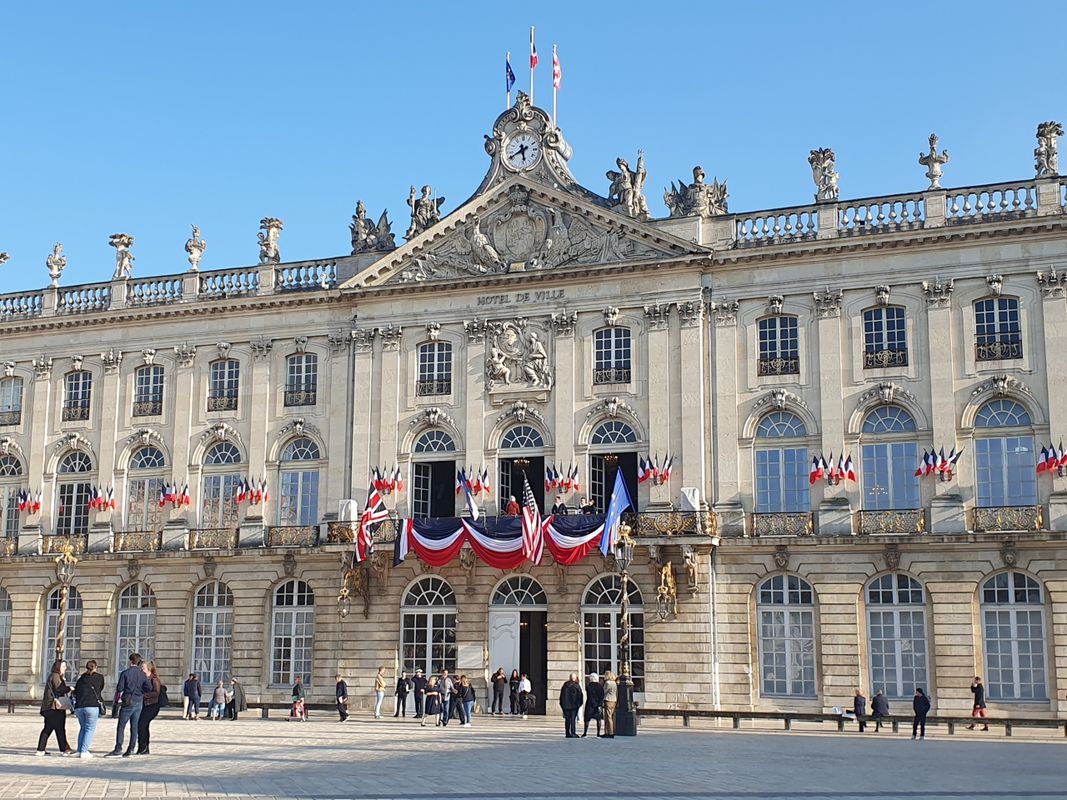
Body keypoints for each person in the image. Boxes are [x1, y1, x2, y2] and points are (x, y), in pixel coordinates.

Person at [106, 652, 151, 757]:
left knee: (121, 726)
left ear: (130, 661)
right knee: (134, 726)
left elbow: (120, 688)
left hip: (128, 701)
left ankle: (118, 748)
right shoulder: (142, 674)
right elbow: (148, 688)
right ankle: (131, 748)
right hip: (139, 701)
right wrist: (140, 692)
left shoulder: (125, 673)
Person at [37, 658, 74, 756]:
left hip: (50, 707)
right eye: (63, 666)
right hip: (54, 707)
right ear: (58, 667)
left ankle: (40, 749)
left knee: (48, 728)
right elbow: (59, 688)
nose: (65, 668)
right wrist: (69, 688)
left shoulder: (55, 676)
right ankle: (64, 749)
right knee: (60, 728)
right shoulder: (55, 676)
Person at [73, 660, 105, 757]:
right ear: (96, 667)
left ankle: (79, 750)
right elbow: (100, 688)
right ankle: (84, 750)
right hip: (92, 706)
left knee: (83, 728)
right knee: (90, 728)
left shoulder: (81, 678)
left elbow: (76, 691)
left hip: (79, 707)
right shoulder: (99, 677)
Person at [136, 661, 162, 755]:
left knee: (142, 724)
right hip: (143, 705)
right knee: (142, 726)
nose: (141, 669)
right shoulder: (142, 678)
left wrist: (144, 695)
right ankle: (142, 747)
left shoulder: (154, 679)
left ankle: (144, 747)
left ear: (149, 669)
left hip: (152, 705)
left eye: (143, 668)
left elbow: (157, 692)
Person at [559, 673, 584, 738]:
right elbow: (580, 696)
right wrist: (579, 704)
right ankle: (573, 733)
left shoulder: (565, 685)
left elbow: (561, 696)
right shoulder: (576, 686)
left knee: (567, 719)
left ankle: (567, 733)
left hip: (566, 705)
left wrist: (562, 704)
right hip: (574, 706)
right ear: (575, 678)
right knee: (573, 719)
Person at [582, 673, 604, 737]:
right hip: (597, 705)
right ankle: (598, 733)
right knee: (598, 719)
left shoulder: (589, 686)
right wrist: (599, 704)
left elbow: (590, 695)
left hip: (590, 704)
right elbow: (601, 696)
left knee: (587, 719)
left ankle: (585, 733)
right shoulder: (600, 686)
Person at [602, 671, 618, 738]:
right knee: (611, 716)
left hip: (608, 700)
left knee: (608, 717)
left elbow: (604, 691)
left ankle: (609, 732)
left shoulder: (607, 683)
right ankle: (610, 731)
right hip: (614, 700)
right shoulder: (614, 683)